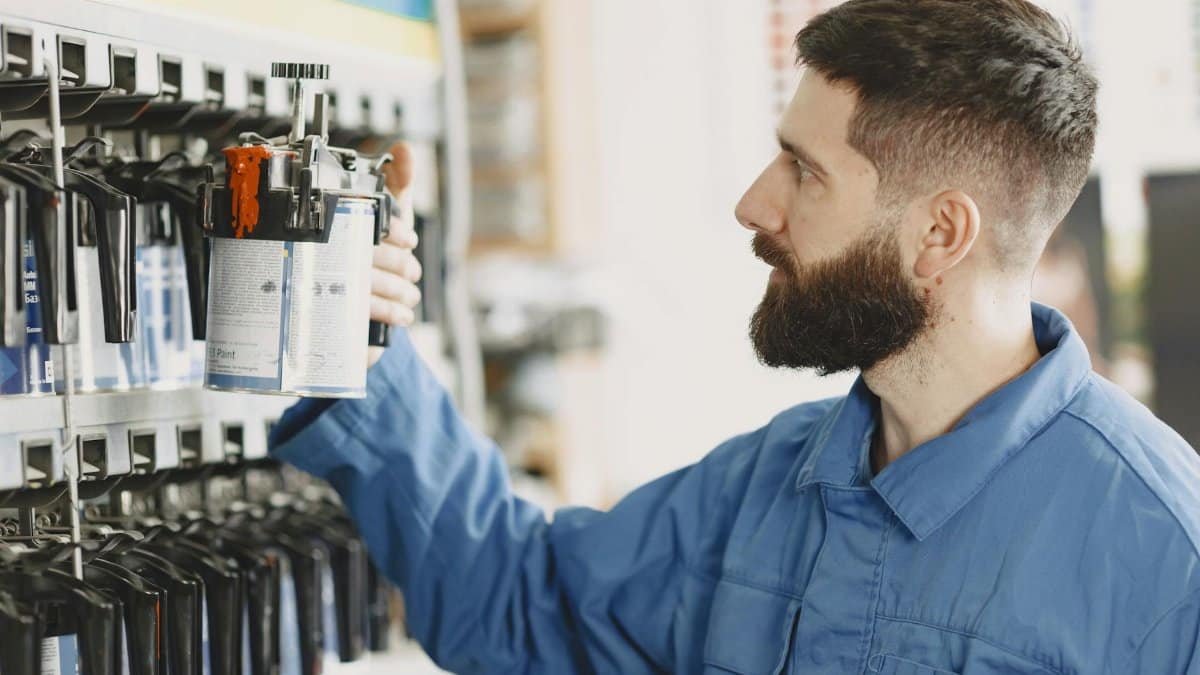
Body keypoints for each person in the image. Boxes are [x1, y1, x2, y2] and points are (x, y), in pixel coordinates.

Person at [270, 1, 1200, 672]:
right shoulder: (766, 488)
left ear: (939, 235)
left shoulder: (1167, 558)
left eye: (805, 171)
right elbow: (525, 608)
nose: (754, 203)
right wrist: (366, 342)